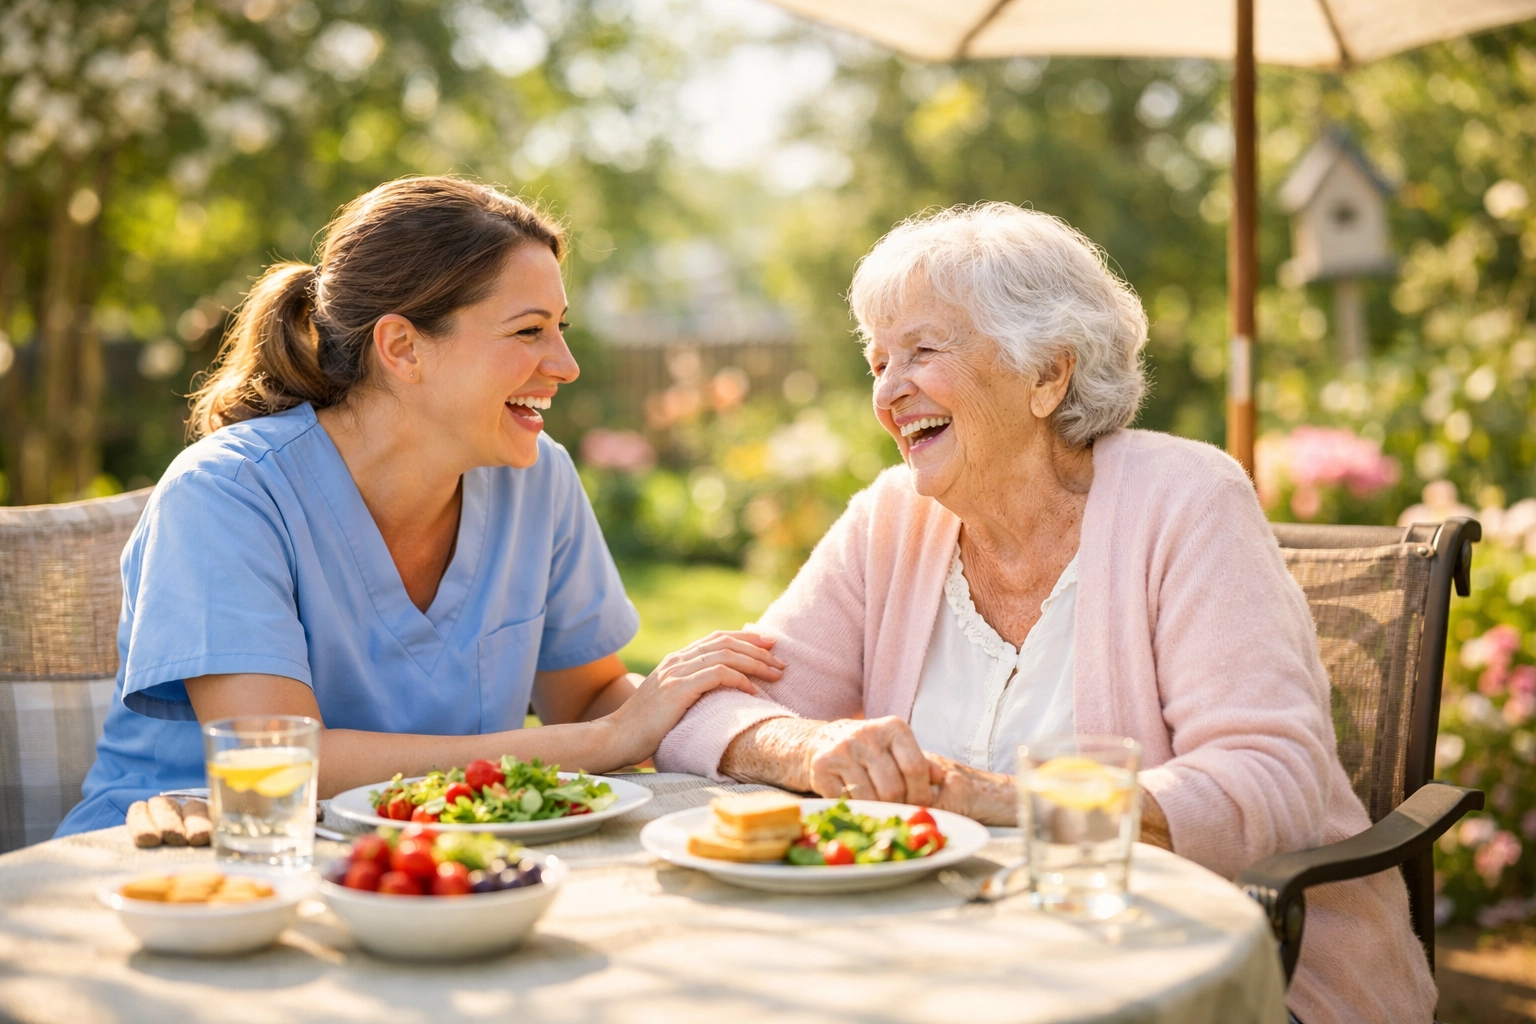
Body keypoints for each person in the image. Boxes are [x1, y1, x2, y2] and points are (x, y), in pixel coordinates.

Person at [655, 203, 1435, 1024]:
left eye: (922, 351)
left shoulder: (1189, 501)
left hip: (1212, 972)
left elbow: (1267, 781)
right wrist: (808, 747)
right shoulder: (891, 520)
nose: (888, 391)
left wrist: (999, 799)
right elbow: (697, 708)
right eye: (879, 362)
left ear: (1047, 375)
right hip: (938, 966)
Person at [58, 177, 782, 835]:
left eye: (562, 327)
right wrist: (599, 745)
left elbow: (593, 703)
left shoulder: (537, 479)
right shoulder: (226, 496)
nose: (565, 364)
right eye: (529, 330)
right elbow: (282, 761)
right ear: (403, 348)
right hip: (187, 868)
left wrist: (756, 733)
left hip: (428, 864)